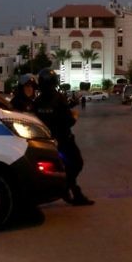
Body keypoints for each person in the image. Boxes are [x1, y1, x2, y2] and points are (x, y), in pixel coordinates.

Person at [34, 68, 94, 206]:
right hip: (64, 140)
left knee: (63, 168)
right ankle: (66, 189)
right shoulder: (58, 98)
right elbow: (67, 119)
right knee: (77, 164)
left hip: (46, 142)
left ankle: (73, 193)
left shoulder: (37, 101)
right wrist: (74, 116)